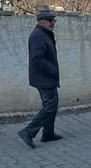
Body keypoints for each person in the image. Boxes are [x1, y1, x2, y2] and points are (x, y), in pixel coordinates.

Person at [18, 9, 62, 148]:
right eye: (49, 20)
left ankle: (48, 134)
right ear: (41, 22)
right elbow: (37, 59)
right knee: (49, 106)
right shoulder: (38, 36)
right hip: (44, 78)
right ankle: (28, 132)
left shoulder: (45, 34)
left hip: (46, 77)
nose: (52, 23)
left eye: (53, 20)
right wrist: (52, 70)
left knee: (51, 105)